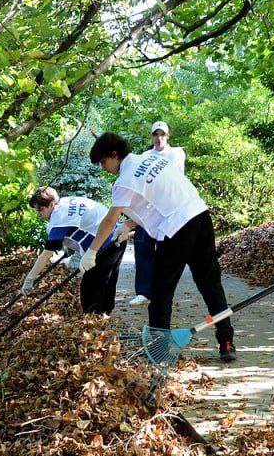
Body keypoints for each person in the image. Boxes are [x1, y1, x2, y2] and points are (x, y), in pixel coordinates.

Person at [86, 131, 237, 362]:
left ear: (114, 155)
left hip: (177, 228)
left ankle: (159, 352)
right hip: (200, 215)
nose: (103, 168)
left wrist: (92, 252)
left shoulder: (124, 180)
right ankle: (226, 341)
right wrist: (127, 224)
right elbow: (157, 199)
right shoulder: (152, 159)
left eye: (103, 162)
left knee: (161, 291)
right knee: (210, 284)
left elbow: (108, 220)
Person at [20, 187, 128, 315]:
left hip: (107, 243)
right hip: (118, 235)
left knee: (90, 286)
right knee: (106, 282)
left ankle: (94, 320)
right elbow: (78, 225)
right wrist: (71, 246)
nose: (39, 214)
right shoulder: (64, 202)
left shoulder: (59, 219)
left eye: (40, 210)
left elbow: (46, 255)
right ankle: (104, 316)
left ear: (51, 204)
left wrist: (30, 278)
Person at [127, 121, 186, 306]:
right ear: (151, 136)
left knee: (165, 252)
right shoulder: (144, 156)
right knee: (142, 247)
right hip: (147, 208)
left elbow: (170, 178)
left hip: (168, 209)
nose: (159, 138)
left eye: (163, 134)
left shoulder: (176, 153)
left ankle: (162, 292)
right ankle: (143, 292)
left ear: (168, 136)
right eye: (156, 134)